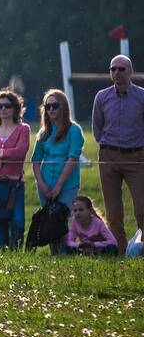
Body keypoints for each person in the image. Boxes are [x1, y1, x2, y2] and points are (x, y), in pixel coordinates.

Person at [92, 54, 144, 253]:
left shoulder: (141, 96)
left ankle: (140, 250)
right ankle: (120, 252)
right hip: (109, 157)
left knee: (141, 209)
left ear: (130, 71)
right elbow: (97, 128)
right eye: (113, 69)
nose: (117, 73)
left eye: (121, 69)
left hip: (136, 157)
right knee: (113, 213)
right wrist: (108, 147)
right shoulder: (102, 96)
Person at [0, 90, 31, 249]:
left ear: (15, 108)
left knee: (17, 221)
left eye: (7, 106)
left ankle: (16, 252)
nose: (3, 109)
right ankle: (1, 253)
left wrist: (0, 153)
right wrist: (6, 157)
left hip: (14, 184)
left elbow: (21, 152)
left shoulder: (23, 129)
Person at [31, 89, 84, 210]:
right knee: (47, 221)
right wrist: (41, 184)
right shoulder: (43, 132)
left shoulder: (74, 130)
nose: (51, 109)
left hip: (67, 185)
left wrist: (59, 185)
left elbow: (73, 159)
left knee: (63, 220)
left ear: (63, 107)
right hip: (45, 184)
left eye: (55, 106)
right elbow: (35, 161)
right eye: (48, 106)